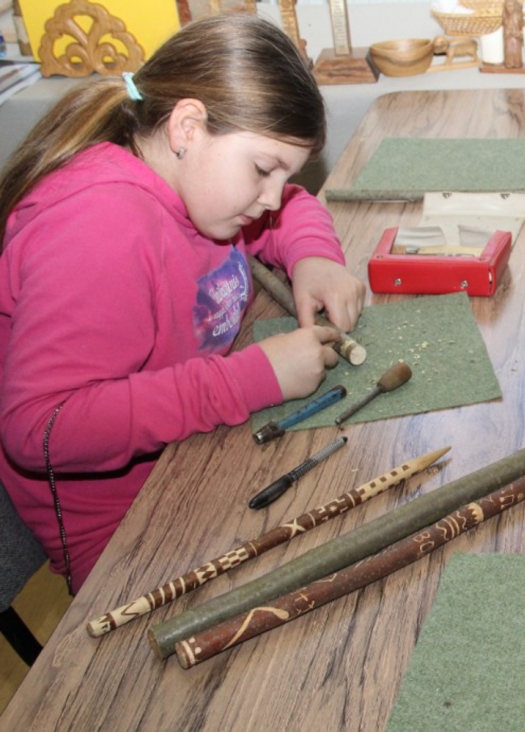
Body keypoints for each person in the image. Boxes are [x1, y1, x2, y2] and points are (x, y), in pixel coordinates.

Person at [0, 14, 367, 594]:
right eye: (263, 169)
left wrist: (314, 257)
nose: (272, 198)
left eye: (282, 175)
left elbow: (294, 206)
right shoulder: (98, 231)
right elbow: (40, 428)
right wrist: (248, 381)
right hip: (126, 529)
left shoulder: (200, 188)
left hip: (198, 453)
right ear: (187, 127)